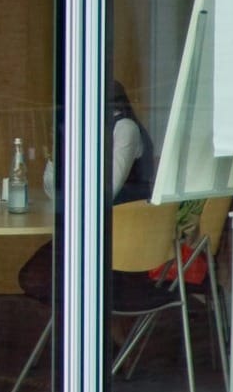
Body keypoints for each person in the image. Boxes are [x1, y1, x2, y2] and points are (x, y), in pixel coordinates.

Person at [21, 79, 155, 299]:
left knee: (39, 277)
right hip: (90, 225)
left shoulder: (124, 128)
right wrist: (59, 153)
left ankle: (96, 326)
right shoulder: (86, 129)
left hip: (121, 234)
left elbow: (107, 191)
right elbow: (53, 191)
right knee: (33, 277)